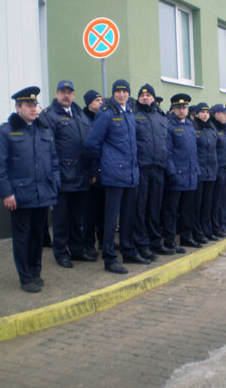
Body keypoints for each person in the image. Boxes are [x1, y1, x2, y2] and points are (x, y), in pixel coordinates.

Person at [0, 86, 60, 293]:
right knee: (23, 237)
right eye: (28, 105)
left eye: (35, 105)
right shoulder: (5, 132)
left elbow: (54, 161)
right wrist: (6, 193)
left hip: (43, 193)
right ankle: (25, 277)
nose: (33, 108)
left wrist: (55, 182)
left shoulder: (43, 130)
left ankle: (36, 272)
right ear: (18, 107)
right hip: (19, 195)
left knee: (38, 235)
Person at [85, 79, 147, 274]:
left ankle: (128, 251)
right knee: (111, 219)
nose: (122, 94)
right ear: (113, 94)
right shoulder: (106, 113)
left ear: (129, 94)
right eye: (118, 91)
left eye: (125, 91)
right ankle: (109, 257)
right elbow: (91, 143)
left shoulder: (129, 112)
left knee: (128, 216)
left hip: (130, 174)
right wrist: (99, 167)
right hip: (113, 174)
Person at [39, 80, 94, 268]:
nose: (66, 95)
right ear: (56, 94)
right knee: (61, 220)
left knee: (77, 218)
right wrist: (54, 177)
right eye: (62, 92)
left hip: (80, 176)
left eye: (69, 92)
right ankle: (61, 252)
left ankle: (77, 250)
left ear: (73, 95)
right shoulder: (49, 116)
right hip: (61, 178)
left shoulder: (80, 115)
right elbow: (48, 149)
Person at [133, 84, 172, 259]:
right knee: (140, 208)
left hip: (158, 168)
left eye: (149, 95)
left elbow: (167, 143)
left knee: (155, 208)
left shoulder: (161, 117)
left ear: (154, 98)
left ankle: (155, 242)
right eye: (142, 95)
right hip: (142, 168)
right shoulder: (134, 115)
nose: (145, 97)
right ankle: (142, 244)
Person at [160, 93, 200, 252]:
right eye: (178, 108)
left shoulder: (190, 125)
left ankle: (186, 236)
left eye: (184, 108)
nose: (182, 110)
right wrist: (172, 172)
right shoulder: (169, 125)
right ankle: (170, 241)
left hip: (190, 175)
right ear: (174, 109)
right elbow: (167, 152)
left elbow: (193, 151)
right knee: (171, 210)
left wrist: (196, 170)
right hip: (176, 175)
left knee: (187, 209)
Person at [82, 90, 104, 259]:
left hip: (105, 171)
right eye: (97, 100)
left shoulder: (103, 118)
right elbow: (87, 147)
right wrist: (92, 170)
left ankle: (104, 241)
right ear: (89, 103)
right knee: (90, 212)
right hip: (91, 173)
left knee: (104, 210)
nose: (100, 102)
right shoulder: (83, 120)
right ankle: (89, 244)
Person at [192, 103, 218, 243]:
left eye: (207, 112)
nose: (205, 114)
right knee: (197, 205)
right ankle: (197, 232)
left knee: (207, 204)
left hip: (211, 171)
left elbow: (215, 151)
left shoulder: (211, 128)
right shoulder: (193, 128)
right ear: (196, 114)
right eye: (202, 112)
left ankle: (207, 230)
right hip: (199, 172)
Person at [210, 104, 226, 238]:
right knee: (216, 201)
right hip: (218, 169)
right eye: (224, 114)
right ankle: (216, 227)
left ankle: (222, 224)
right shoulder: (213, 128)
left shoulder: (223, 128)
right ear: (217, 114)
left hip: (225, 168)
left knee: (223, 200)